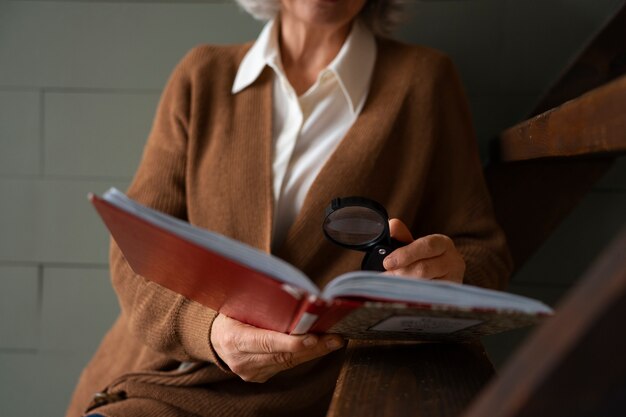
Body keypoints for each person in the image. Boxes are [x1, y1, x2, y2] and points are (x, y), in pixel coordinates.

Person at [67, 0, 513, 416]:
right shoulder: (202, 75)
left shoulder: (424, 81)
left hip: (322, 389)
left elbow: (484, 254)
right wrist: (209, 331)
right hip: (168, 374)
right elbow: (134, 250)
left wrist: (448, 273)